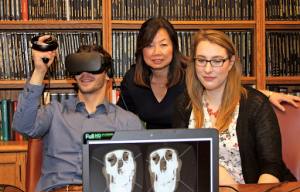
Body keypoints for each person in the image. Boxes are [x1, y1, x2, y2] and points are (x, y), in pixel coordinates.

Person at [12, 36, 144, 192]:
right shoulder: (54, 112)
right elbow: (22, 126)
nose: (85, 73)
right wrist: (40, 70)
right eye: (79, 67)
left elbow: (139, 180)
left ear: (108, 73)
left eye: (93, 65)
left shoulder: (128, 122)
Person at [117, 17, 300, 129]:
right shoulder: (132, 79)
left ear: (174, 46)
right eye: (149, 45)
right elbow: (117, 117)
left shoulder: (193, 71)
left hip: (188, 149)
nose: (156, 52)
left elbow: (227, 85)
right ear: (141, 49)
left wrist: (268, 95)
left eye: (163, 44)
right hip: (153, 150)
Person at [172, 29, 297, 185]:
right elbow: (180, 159)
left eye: (217, 61)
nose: (208, 69)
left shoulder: (255, 105)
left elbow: (271, 166)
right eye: (202, 60)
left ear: (231, 62)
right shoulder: (184, 103)